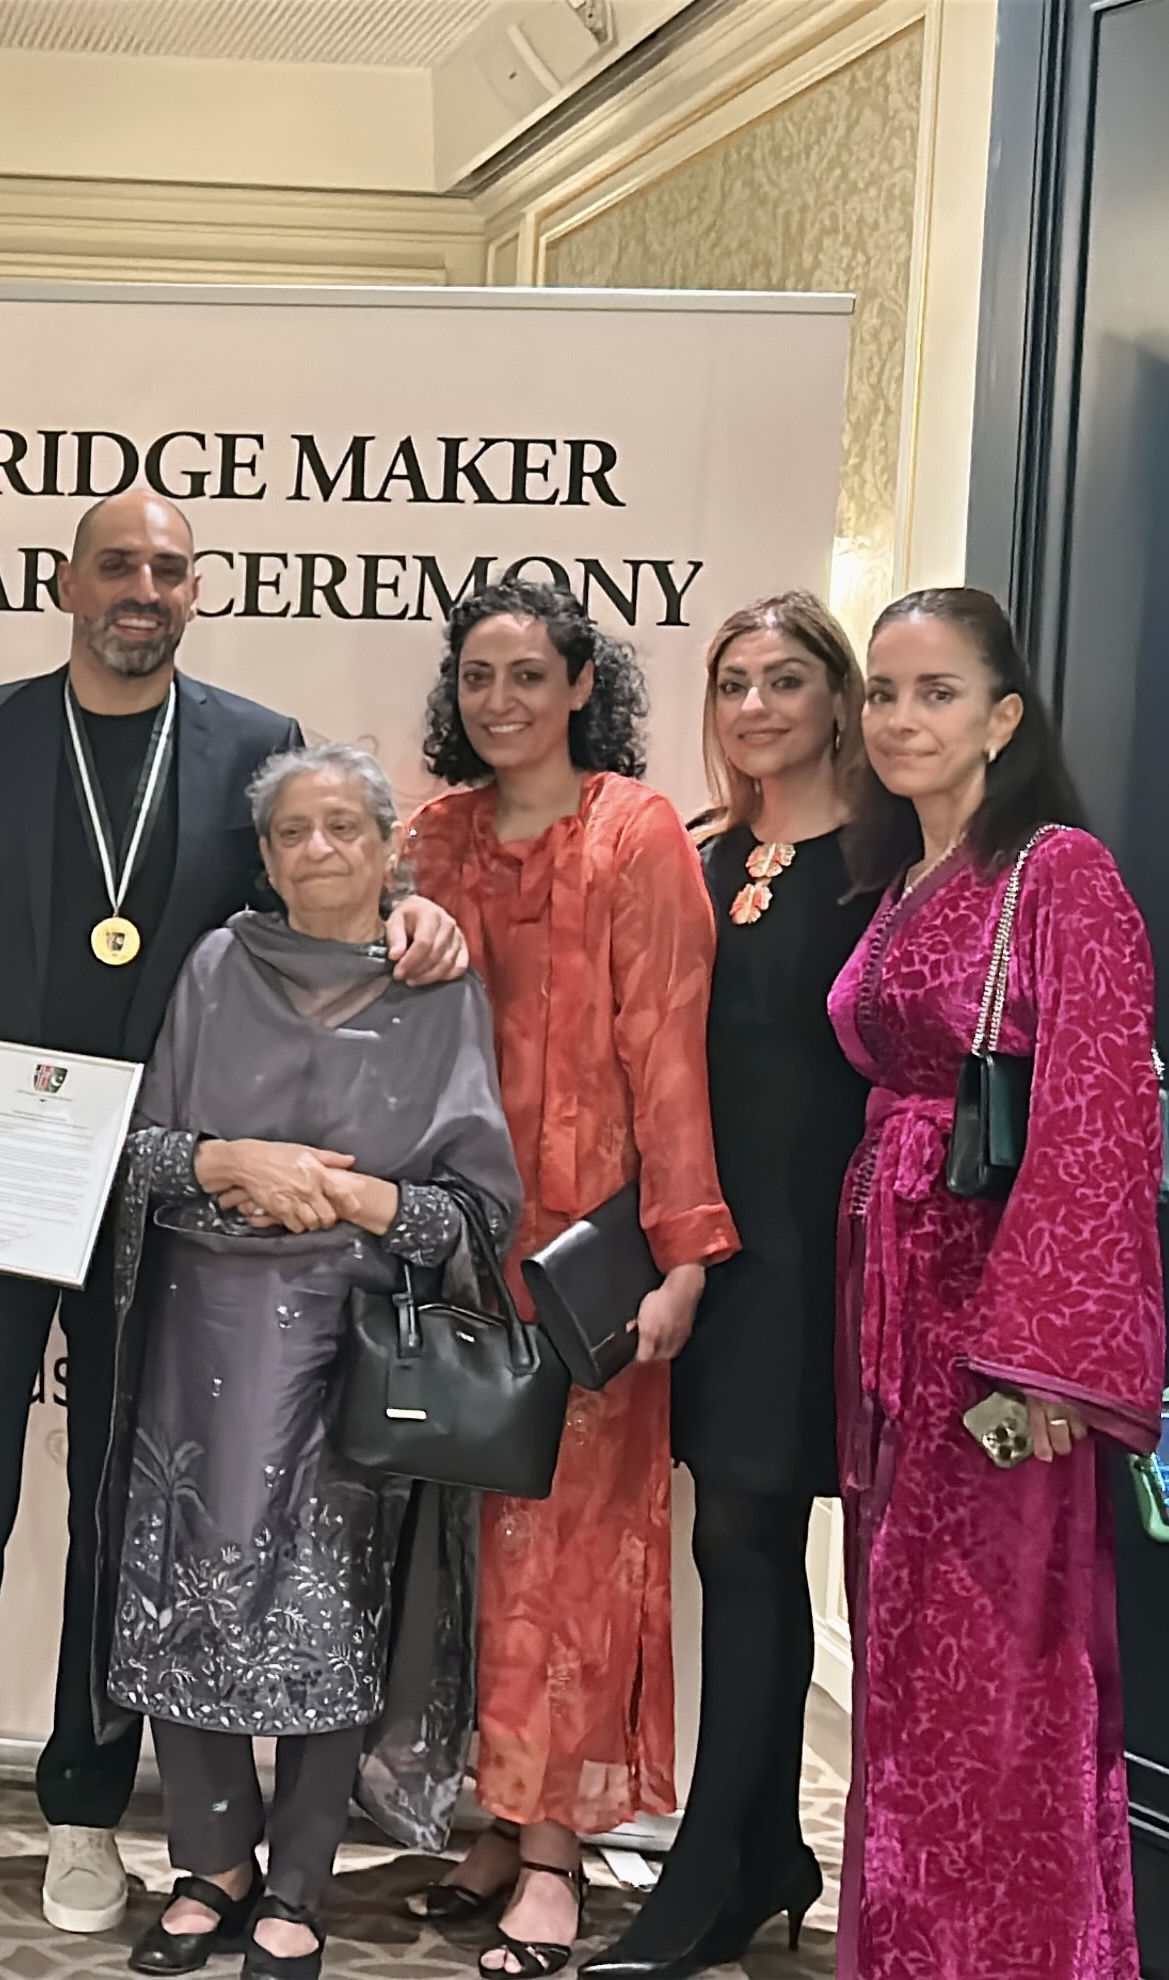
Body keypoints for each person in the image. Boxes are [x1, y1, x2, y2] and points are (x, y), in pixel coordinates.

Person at [0, 489, 469, 1948]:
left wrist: (414, 911)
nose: (143, 587)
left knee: (121, 1509)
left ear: (195, 590)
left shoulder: (250, 741)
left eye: (169, 570)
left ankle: (82, 1804)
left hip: (171, 1187)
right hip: (0, 1159)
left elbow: (312, 912)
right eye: (117, 564)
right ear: (68, 583)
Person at [104, 744, 519, 1980]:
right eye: (292, 831)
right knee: (184, 1594)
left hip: (357, 1349)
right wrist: (230, 1163)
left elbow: (475, 1213)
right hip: (202, 1334)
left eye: (344, 826)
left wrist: (353, 1197)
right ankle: (209, 1867)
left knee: (331, 1613)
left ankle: (296, 1883)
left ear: (390, 849)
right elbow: (144, 1154)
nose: (319, 848)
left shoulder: (436, 990)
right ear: (267, 856)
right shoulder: (214, 967)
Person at [400, 581, 737, 1979]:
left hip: (590, 1253)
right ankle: (494, 1820)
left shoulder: (633, 831)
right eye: (478, 676)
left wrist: (684, 1252)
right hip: (452, 1238)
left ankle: (552, 1855)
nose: (501, 702)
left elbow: (669, 1049)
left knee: (575, 1552)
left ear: (582, 684)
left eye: (529, 674)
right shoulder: (431, 837)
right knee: (470, 1550)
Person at [826, 588, 1161, 1980]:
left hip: (994, 1332)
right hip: (891, 1307)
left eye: (938, 692)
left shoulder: (1060, 871)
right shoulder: (903, 876)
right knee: (905, 1649)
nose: (901, 718)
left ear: (1003, 717)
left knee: (997, 1662)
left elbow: (1099, 1114)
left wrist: (1042, 1362)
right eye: (884, 692)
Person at [583, 594, 871, 1979]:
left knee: (754, 1534)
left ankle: (710, 1876)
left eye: (786, 680)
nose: (756, 707)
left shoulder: (889, 864)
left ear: (838, 697)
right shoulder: (696, 856)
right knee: (736, 1549)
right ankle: (761, 1857)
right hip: (708, 1248)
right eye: (735, 683)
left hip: (828, 1252)